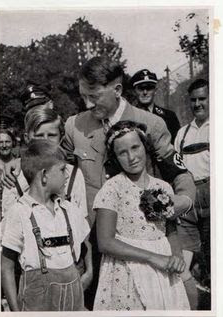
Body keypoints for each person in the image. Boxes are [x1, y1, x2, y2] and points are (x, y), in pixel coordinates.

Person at [62, 56, 195, 308]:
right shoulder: (75, 125)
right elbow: (53, 161)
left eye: (94, 96)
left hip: (141, 247)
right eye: (83, 96)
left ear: (118, 90)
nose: (87, 103)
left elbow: (180, 173)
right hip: (94, 245)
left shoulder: (152, 124)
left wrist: (181, 202)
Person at [93, 121, 190, 310]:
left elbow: (170, 231)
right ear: (115, 157)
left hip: (163, 269)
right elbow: (105, 242)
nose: (131, 157)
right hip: (127, 269)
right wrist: (153, 258)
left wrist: (176, 255)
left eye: (135, 147)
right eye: (122, 153)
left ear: (145, 146)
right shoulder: (112, 188)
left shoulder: (163, 187)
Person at [1, 139, 91, 311]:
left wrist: (89, 273)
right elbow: (6, 266)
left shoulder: (68, 209)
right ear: (44, 175)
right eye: (62, 170)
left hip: (73, 296)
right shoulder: (19, 212)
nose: (66, 175)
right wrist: (15, 311)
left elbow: (86, 242)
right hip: (37, 301)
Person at [1, 106, 88, 222]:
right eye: (39, 136)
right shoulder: (14, 177)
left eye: (51, 135)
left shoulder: (73, 174)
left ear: (61, 138)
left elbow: (82, 221)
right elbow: (8, 226)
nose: (45, 141)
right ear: (27, 138)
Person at [174, 79, 210, 293]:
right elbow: (178, 168)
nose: (197, 104)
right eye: (193, 100)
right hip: (188, 196)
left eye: (202, 99)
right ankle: (183, 297)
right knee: (185, 251)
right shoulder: (183, 133)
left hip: (213, 193)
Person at [130, 68, 180, 144]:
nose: (145, 92)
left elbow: (176, 146)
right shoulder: (129, 116)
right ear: (134, 91)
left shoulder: (169, 117)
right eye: (141, 88)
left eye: (149, 88)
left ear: (155, 91)